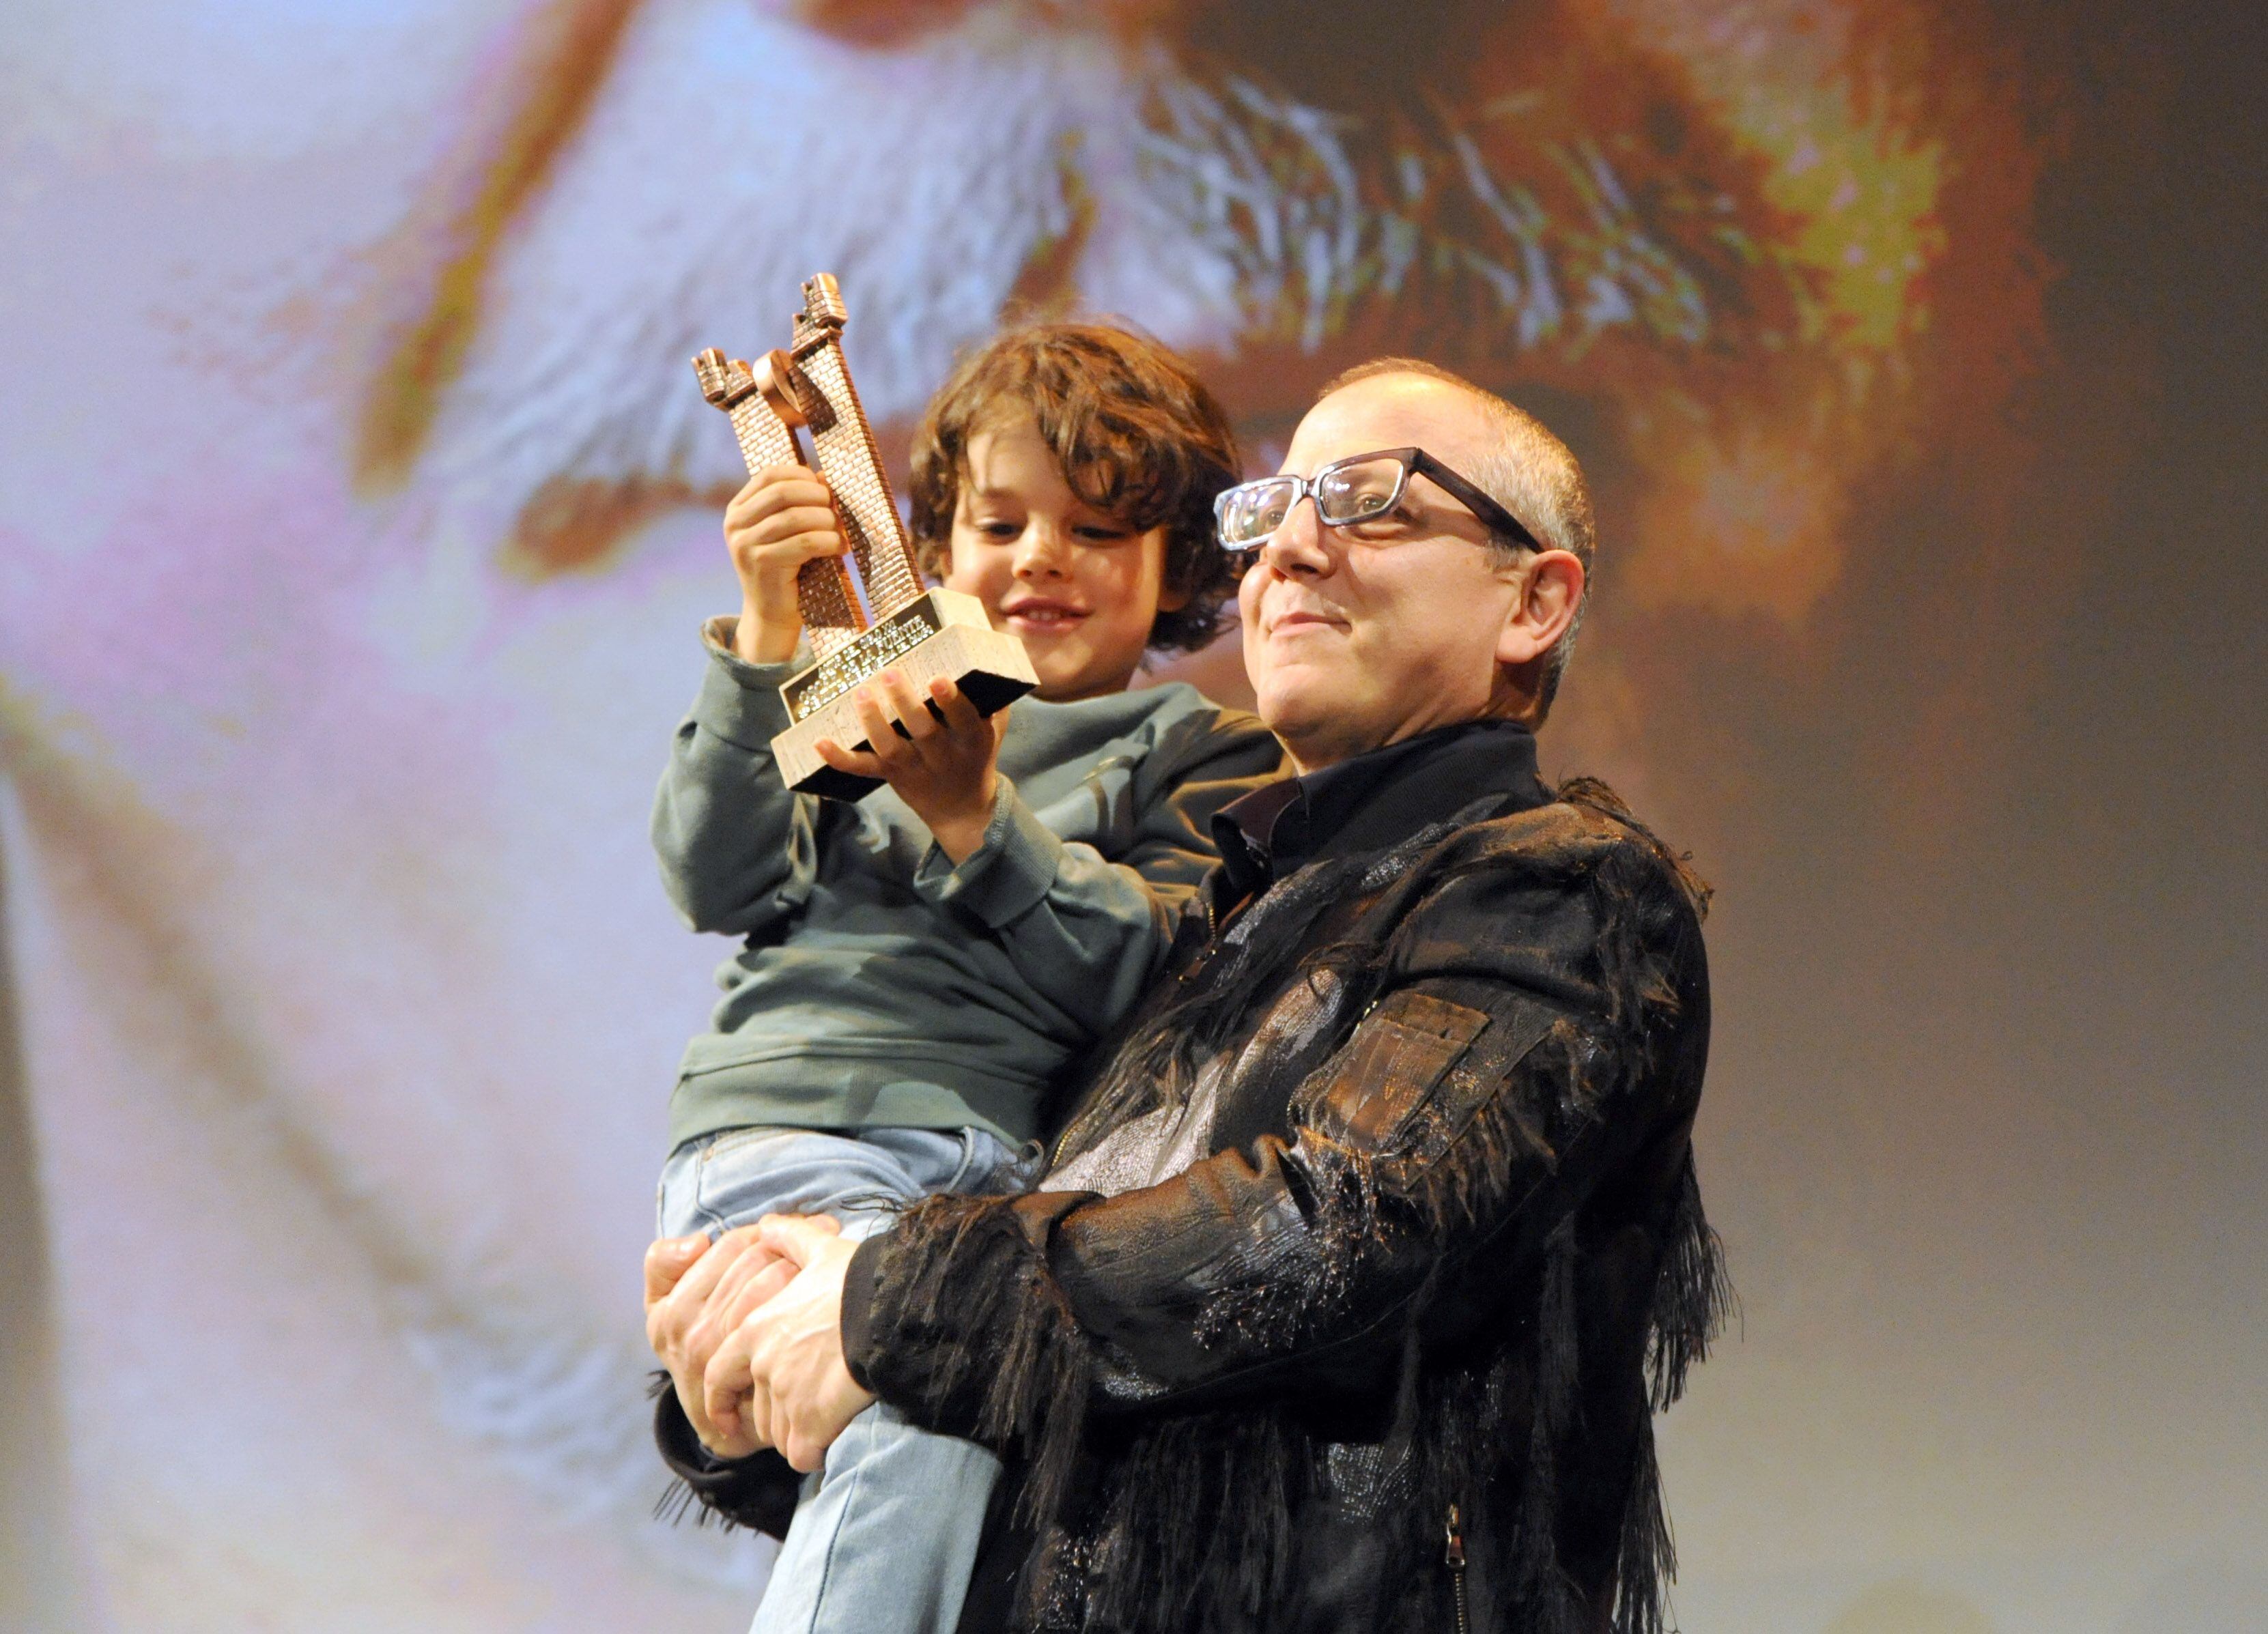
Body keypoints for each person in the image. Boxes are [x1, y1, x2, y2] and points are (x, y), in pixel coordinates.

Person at [648, 358, 1730, 1633]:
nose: (1290, 549)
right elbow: (1040, 1382)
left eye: (1368, 499)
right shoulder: (1219, 937)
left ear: (1533, 601)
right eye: (1272, 512)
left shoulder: (1551, 887)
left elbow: (1337, 1224)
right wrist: (751, 1360)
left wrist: (879, 1297)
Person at [649, 323, 1284, 1634]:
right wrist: (770, 633)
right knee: (922, 1409)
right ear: (931, 550)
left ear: (1178, 573)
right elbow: (719, 879)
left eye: (1098, 530)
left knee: (992, 1504)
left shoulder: (1202, 752)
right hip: (812, 1141)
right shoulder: (863, 692)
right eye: (998, 525)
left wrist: (974, 815)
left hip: (1002, 1194)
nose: (1042, 557)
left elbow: (1156, 985)